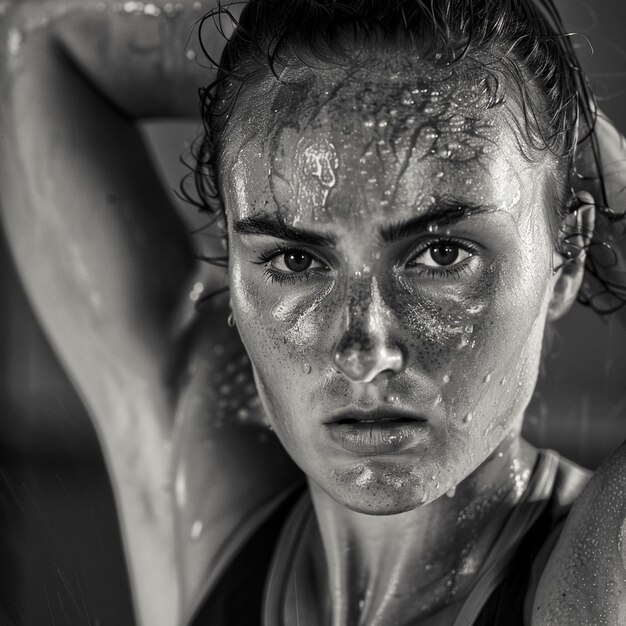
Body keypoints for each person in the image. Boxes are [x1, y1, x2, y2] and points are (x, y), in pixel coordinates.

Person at [1, 0, 625, 624]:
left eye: (441, 253)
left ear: (567, 255)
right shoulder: (203, 501)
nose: (364, 348)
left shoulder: (602, 573)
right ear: (233, 261)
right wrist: (284, 71)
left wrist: (549, 115)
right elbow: (38, 43)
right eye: (297, 261)